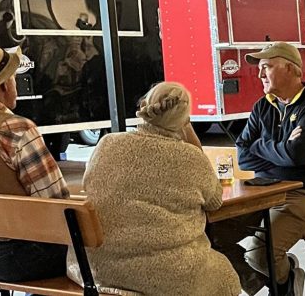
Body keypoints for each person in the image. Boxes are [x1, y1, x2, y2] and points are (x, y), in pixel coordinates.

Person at [79, 83, 240, 295]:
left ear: (145, 107)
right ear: (184, 121)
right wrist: (190, 135)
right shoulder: (190, 157)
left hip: (95, 270)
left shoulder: (107, 144)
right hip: (165, 274)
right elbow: (215, 202)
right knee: (223, 272)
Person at [211, 42, 305, 296]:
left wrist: (262, 147)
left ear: (291, 69)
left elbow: (297, 155)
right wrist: (280, 148)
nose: (259, 74)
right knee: (208, 236)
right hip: (263, 195)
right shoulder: (262, 106)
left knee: (261, 253)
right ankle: (282, 283)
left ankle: (282, 281)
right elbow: (243, 157)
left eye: (266, 66)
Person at [0, 38, 70, 285]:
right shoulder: (15, 129)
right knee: (93, 249)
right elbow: (56, 204)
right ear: (3, 85)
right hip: (13, 258)